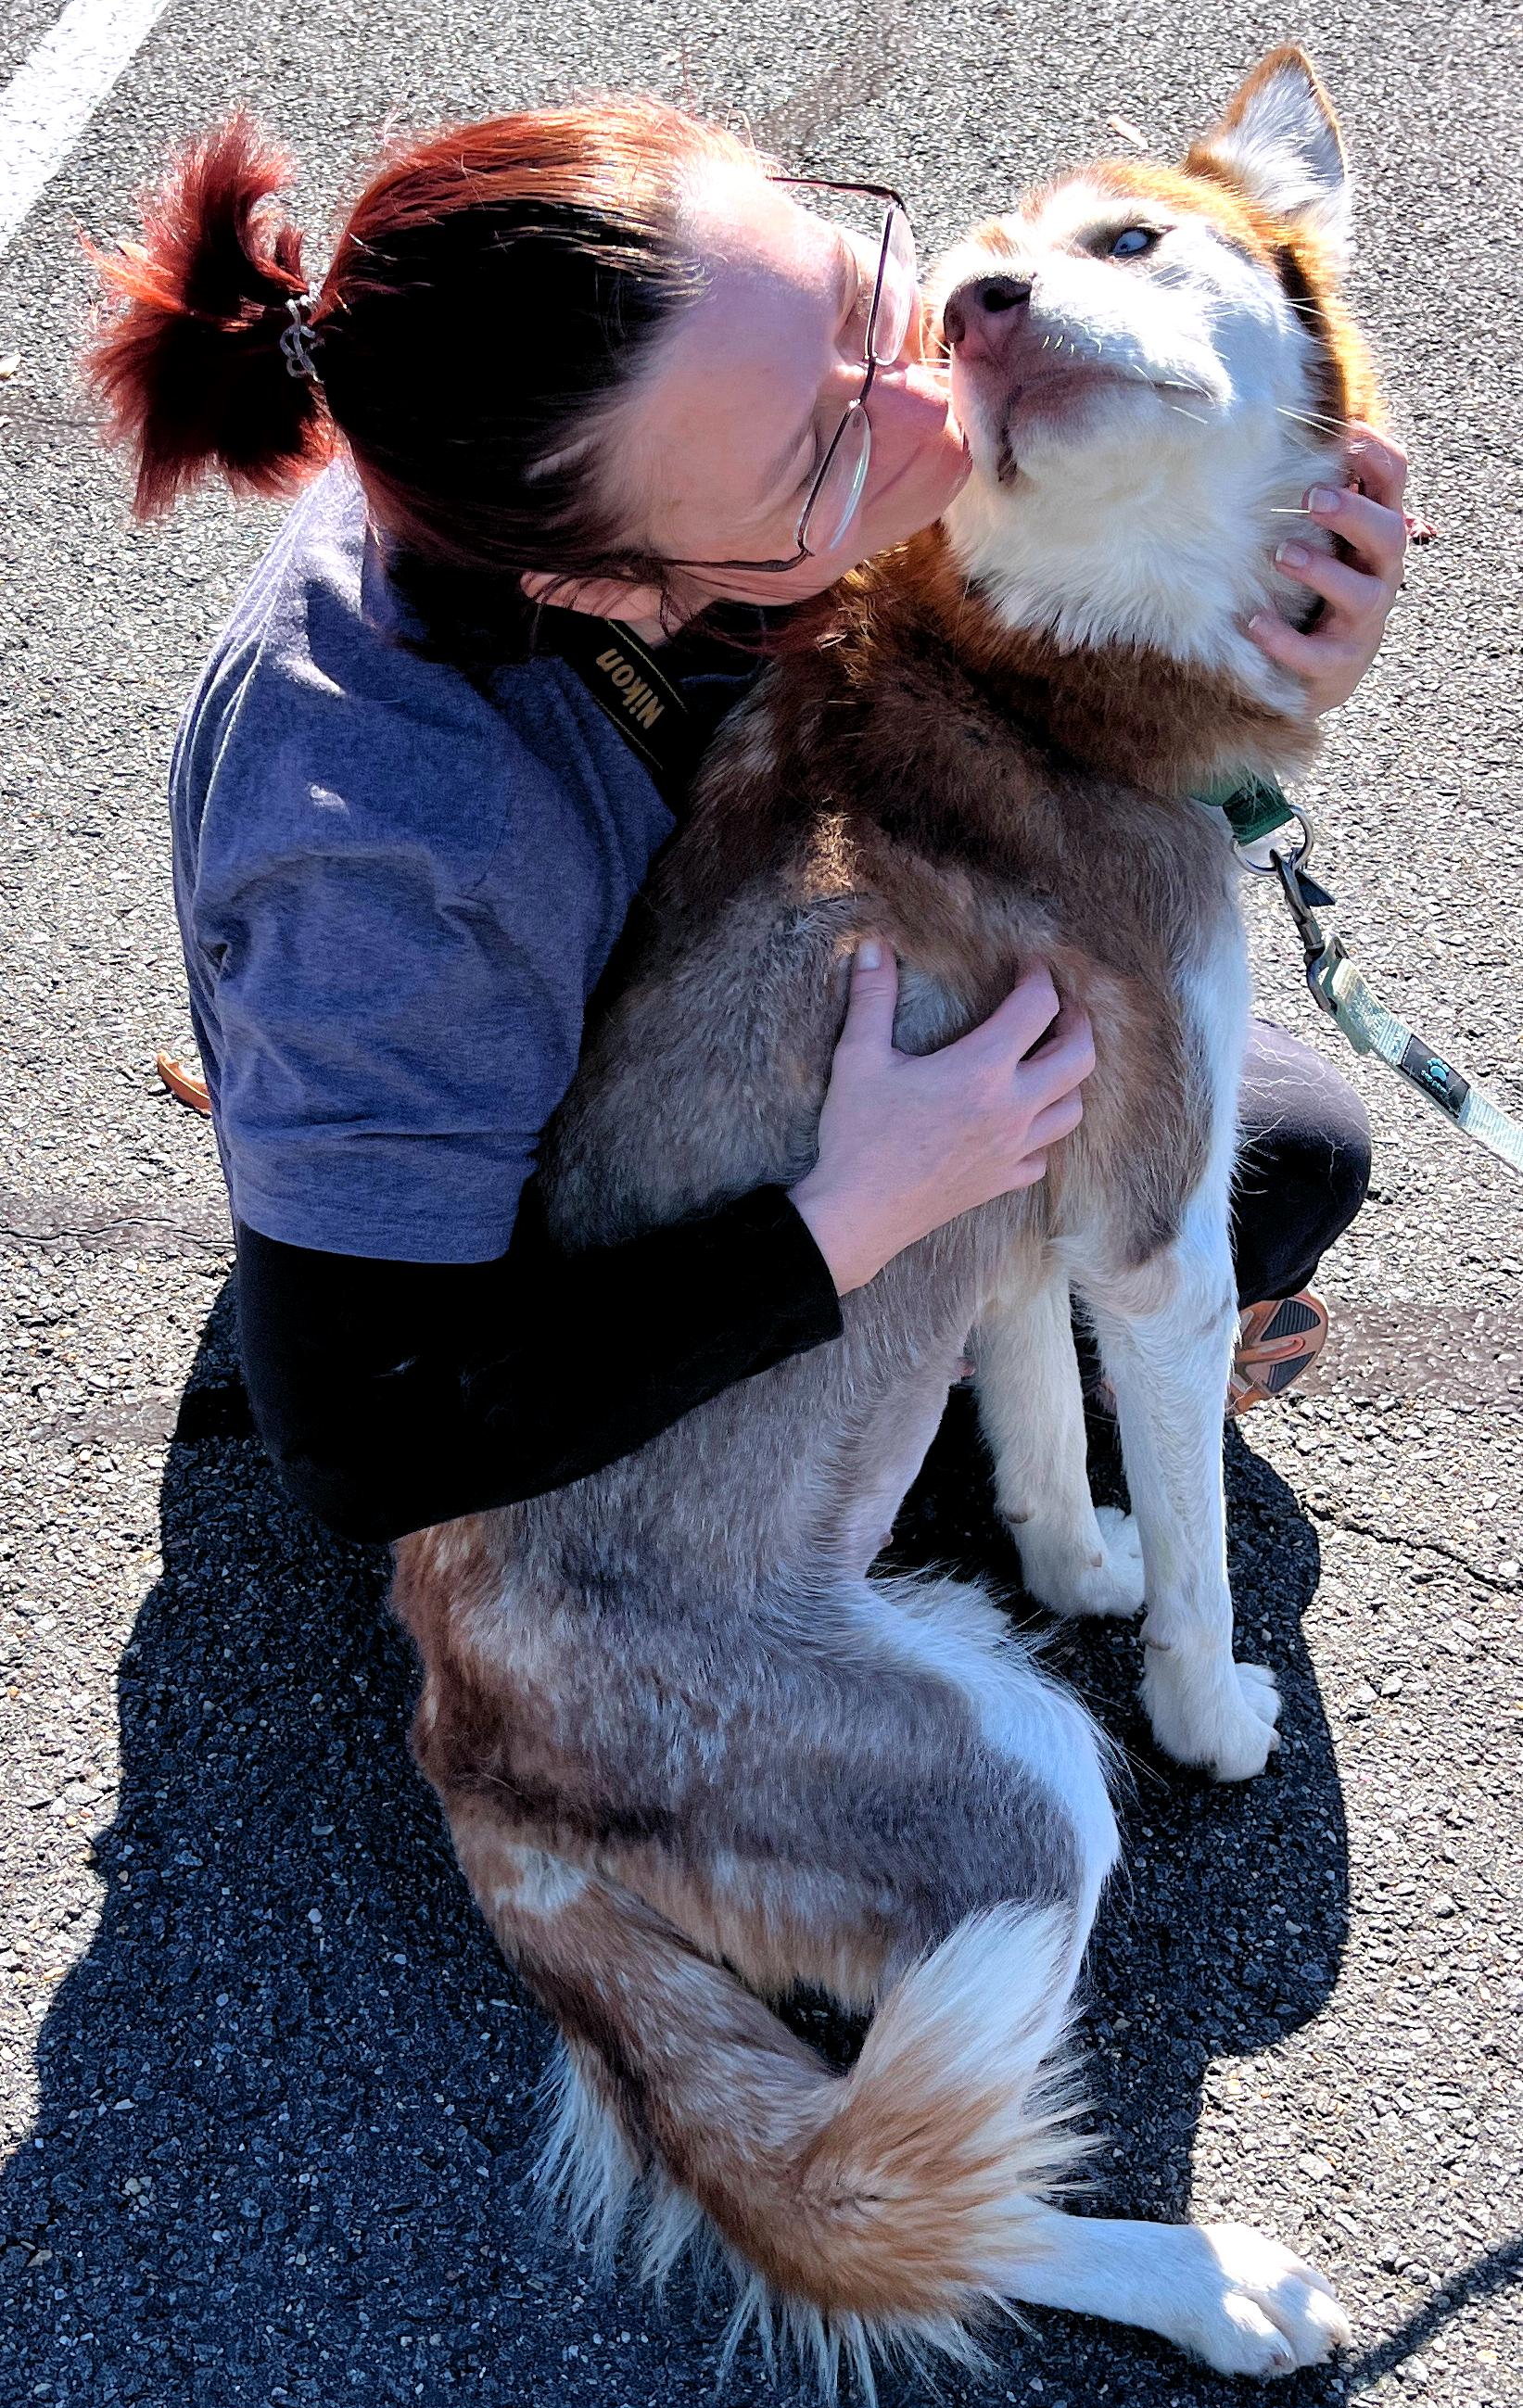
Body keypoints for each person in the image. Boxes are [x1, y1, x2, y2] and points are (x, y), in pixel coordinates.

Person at [78, 96, 1409, 1542]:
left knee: (1266, 1142)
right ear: (615, 591)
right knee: (1267, 1166)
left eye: (852, 295)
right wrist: (846, 1218)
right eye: (821, 455)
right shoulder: (389, 861)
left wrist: (1258, 643)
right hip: (584, 1230)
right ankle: (922, 1421)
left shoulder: (636, 379)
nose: (934, 397)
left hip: (763, 942)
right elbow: (365, 1440)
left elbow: (1017, 632)